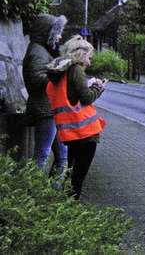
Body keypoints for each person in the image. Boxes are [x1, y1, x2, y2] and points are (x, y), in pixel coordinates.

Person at [46, 35, 107, 200]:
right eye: (88, 57)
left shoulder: (59, 71)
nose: (89, 63)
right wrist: (98, 87)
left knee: (71, 172)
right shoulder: (76, 69)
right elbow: (86, 97)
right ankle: (70, 206)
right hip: (85, 132)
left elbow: (71, 95)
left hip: (70, 131)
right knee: (78, 175)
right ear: (80, 54)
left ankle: (64, 205)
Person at [23, 14, 68, 182]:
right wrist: (58, 73)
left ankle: (48, 195)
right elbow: (36, 79)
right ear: (47, 33)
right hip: (45, 110)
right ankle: (33, 193)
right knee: (43, 155)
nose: (60, 36)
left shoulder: (39, 50)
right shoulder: (38, 52)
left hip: (48, 109)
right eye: (57, 32)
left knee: (61, 157)